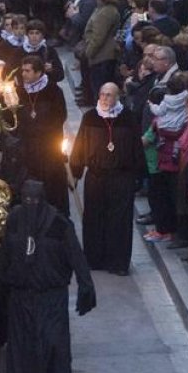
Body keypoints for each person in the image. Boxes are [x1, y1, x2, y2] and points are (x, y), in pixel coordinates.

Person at [0, 180, 95, 373]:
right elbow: (6, 253)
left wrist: (86, 286)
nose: (30, 203)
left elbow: (75, 255)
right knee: (22, 351)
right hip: (21, 299)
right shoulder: (15, 219)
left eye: (35, 200)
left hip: (51, 299)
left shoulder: (58, 224)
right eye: (26, 199)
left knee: (53, 350)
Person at [69, 83, 145, 276]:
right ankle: (95, 259)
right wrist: (75, 172)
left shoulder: (128, 118)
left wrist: (139, 175)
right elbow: (79, 146)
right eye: (102, 94)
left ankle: (118, 262)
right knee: (94, 218)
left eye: (109, 95)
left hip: (122, 177)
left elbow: (136, 147)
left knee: (119, 221)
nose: (104, 98)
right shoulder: (90, 118)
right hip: (96, 176)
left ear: (117, 97)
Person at [6, 56, 69, 209]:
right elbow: (10, 119)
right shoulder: (18, 92)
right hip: (27, 149)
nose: (23, 74)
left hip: (49, 148)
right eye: (23, 70)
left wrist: (41, 131)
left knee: (51, 186)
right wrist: (7, 105)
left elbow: (61, 116)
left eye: (27, 71)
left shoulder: (53, 91)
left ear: (39, 72)